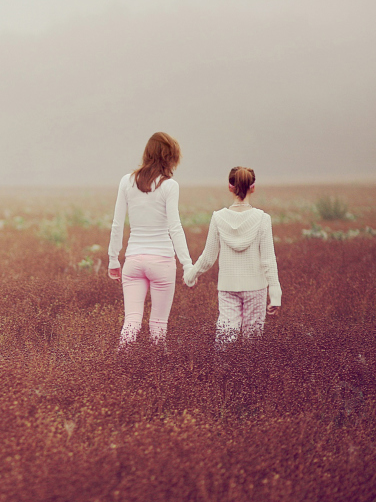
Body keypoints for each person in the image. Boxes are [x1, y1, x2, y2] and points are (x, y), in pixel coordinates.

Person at [108, 132, 193, 347]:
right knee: (158, 324)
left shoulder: (126, 182)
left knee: (131, 321)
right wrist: (187, 264)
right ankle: (157, 371)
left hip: (133, 261)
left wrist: (113, 260)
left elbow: (117, 223)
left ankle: (120, 367)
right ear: (170, 157)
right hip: (161, 261)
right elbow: (175, 227)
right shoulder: (169, 186)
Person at [183, 166, 281, 347]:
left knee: (225, 338)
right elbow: (268, 260)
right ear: (253, 187)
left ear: (230, 187)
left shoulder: (218, 218)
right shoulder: (262, 219)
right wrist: (275, 295)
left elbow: (208, 257)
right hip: (256, 287)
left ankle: (221, 373)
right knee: (252, 342)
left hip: (227, 287)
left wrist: (190, 275)